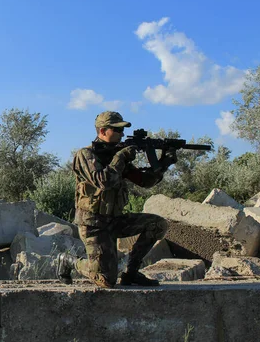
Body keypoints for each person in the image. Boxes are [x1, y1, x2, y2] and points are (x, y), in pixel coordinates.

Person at [57, 111, 177, 288]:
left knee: (157, 224)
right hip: (94, 225)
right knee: (106, 280)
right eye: (117, 130)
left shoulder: (117, 157)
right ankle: (68, 260)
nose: (122, 134)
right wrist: (121, 157)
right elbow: (103, 181)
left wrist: (164, 164)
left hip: (115, 220)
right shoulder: (86, 155)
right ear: (103, 131)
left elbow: (145, 182)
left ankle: (131, 272)